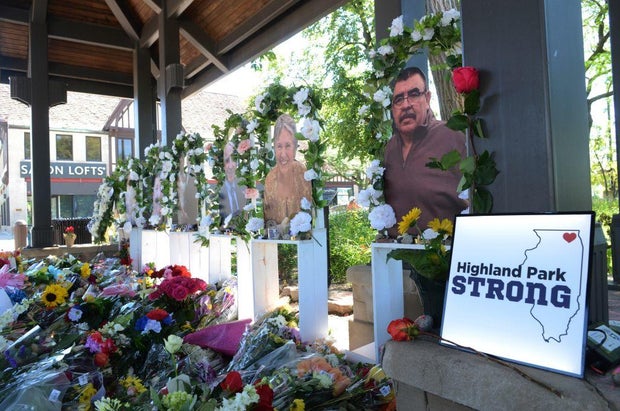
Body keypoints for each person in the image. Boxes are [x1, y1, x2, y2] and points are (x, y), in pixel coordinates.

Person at [384, 66, 468, 237]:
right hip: (397, 255)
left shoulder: (452, 137)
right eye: (398, 99)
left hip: (443, 254)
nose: (406, 105)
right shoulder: (389, 149)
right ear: (392, 108)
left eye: (414, 94)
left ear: (427, 98)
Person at [263, 114, 312, 225]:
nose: (283, 154)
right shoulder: (270, 178)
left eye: (288, 146)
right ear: (274, 147)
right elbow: (267, 218)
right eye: (279, 146)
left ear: (295, 146)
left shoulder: (303, 175)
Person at [219, 142, 246, 220]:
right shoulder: (220, 189)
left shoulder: (244, 185)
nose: (230, 166)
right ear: (223, 165)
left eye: (233, 160)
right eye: (227, 161)